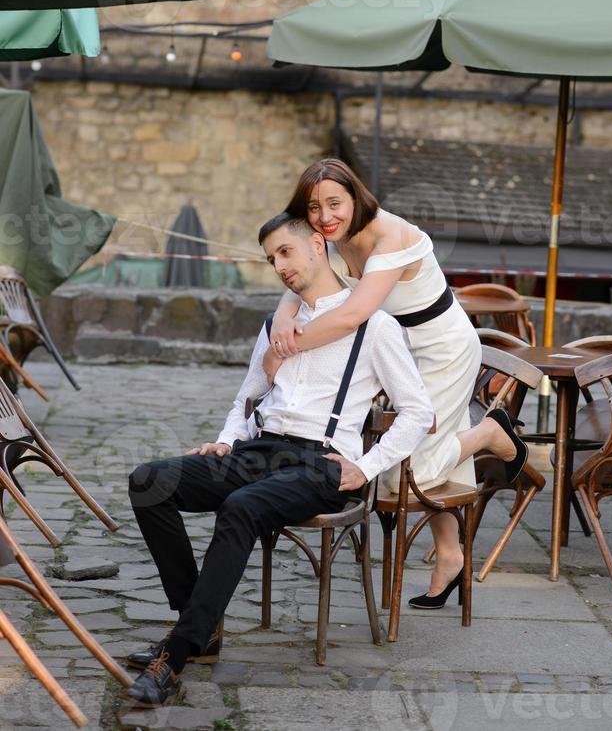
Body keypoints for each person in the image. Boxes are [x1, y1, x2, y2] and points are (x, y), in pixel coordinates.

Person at [124, 212, 435, 707]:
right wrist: (226, 440)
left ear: (317, 243)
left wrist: (368, 466)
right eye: (271, 259)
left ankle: (176, 657)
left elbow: (420, 412)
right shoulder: (276, 324)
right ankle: (197, 626)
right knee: (148, 482)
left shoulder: (374, 327)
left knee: (242, 506)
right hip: (257, 449)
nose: (279, 266)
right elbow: (246, 398)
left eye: (286, 252)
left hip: (321, 463)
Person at [270, 158, 527, 610]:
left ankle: (490, 433)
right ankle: (450, 555)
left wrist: (289, 348)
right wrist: (284, 320)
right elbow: (301, 282)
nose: (325, 217)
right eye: (314, 208)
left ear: (356, 197)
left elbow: (352, 314)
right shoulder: (330, 239)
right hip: (395, 352)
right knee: (420, 459)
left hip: (441, 348)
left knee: (410, 472)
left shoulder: (389, 236)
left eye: (335, 203)